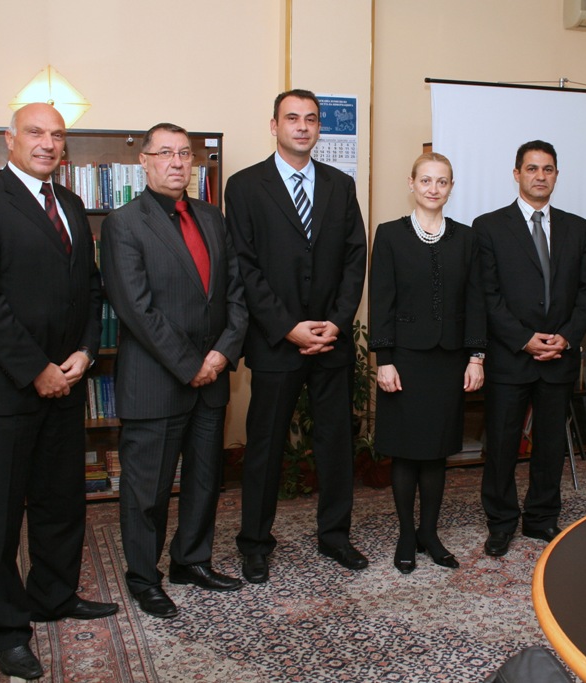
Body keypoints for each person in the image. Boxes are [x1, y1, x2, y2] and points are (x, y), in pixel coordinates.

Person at [0, 103, 116, 680]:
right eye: (35, 132)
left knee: (59, 502)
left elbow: (91, 292)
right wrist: (36, 368)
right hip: (7, 390)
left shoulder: (69, 204)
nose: (47, 143)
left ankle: (54, 595)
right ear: (9, 139)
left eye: (57, 135)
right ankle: (6, 630)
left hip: (66, 384)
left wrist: (85, 354)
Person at [101, 123, 248, 618]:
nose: (177, 162)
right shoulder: (124, 223)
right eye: (165, 153)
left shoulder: (211, 217)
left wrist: (222, 355)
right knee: (148, 492)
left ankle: (192, 560)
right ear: (143, 162)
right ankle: (144, 577)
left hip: (212, 378)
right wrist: (191, 365)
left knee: (206, 481)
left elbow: (235, 293)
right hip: (157, 382)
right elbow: (136, 309)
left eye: (186, 153)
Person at [225, 89, 368, 583]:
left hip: (331, 340)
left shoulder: (339, 185)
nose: (302, 127)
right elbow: (244, 266)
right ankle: (255, 543)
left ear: (318, 128)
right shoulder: (244, 186)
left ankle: (335, 536)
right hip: (274, 342)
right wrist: (287, 327)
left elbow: (355, 258)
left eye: (310, 119)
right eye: (292, 118)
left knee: (335, 443)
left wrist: (337, 320)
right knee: (265, 446)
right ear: (274, 125)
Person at [474, 140, 586, 557]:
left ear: (556, 176)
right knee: (503, 445)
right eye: (532, 168)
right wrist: (524, 339)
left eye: (547, 169)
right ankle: (502, 521)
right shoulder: (489, 226)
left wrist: (567, 335)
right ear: (516, 174)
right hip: (511, 356)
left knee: (550, 445)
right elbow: (487, 295)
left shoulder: (578, 228)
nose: (540, 176)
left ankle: (541, 518)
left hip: (560, 355)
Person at [369, 152, 486, 573]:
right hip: (403, 361)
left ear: (451, 187)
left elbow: (476, 301)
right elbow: (381, 300)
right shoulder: (389, 235)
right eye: (427, 181)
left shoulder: (467, 238)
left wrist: (476, 357)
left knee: (436, 454)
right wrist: (384, 359)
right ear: (412, 183)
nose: (434, 188)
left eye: (442, 181)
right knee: (405, 453)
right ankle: (405, 533)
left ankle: (429, 533)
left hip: (450, 361)